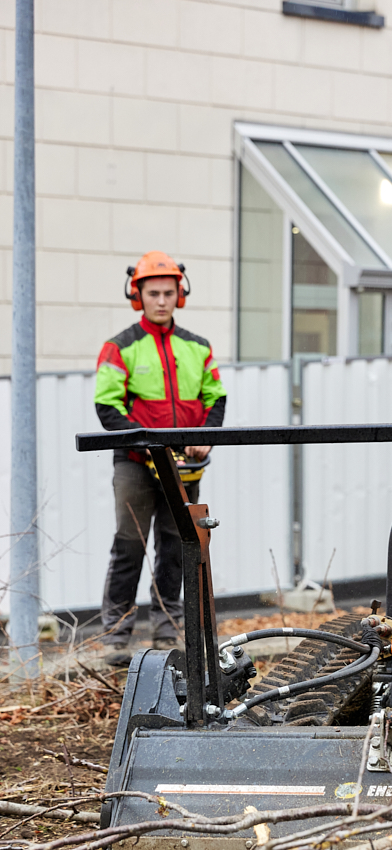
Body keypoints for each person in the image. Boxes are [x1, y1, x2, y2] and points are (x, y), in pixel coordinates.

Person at [94, 252, 226, 665]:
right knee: (129, 545)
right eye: (154, 293)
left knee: (175, 544)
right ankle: (116, 635)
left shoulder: (198, 347)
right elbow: (107, 406)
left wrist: (204, 435)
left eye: (169, 293)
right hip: (135, 463)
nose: (162, 300)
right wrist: (146, 444)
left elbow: (215, 397)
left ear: (179, 295)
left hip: (183, 465)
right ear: (139, 295)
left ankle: (168, 628)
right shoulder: (119, 348)